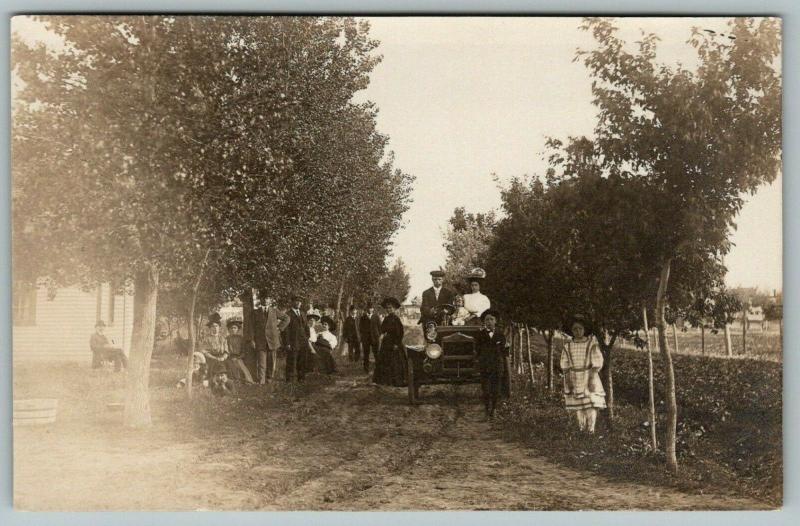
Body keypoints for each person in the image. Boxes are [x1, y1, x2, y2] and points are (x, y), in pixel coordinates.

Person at [560, 315, 606, 433]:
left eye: (580, 328)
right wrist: (568, 378)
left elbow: (597, 361)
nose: (578, 331)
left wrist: (591, 377)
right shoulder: (568, 346)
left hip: (589, 376)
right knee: (579, 406)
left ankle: (591, 430)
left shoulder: (591, 344)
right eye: (575, 329)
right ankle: (581, 429)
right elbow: (565, 363)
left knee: (590, 403)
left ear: (584, 329)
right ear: (571, 331)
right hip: (574, 376)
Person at [474, 309, 507, 420]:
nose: (489, 322)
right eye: (486, 319)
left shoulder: (500, 334)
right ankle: (486, 410)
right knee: (486, 390)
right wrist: (481, 360)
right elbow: (477, 350)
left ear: (495, 321)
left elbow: (504, 351)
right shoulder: (480, 335)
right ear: (484, 322)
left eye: (491, 319)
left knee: (496, 390)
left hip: (497, 365)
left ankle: (494, 410)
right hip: (485, 365)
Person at [373, 297, 406, 386]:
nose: (389, 309)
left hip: (394, 343)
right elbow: (382, 329)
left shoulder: (396, 319)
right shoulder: (386, 319)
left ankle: (396, 381)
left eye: (390, 308)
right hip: (386, 343)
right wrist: (382, 335)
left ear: (394, 309)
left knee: (395, 362)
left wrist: (396, 344)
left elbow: (400, 333)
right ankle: (385, 381)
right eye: (387, 308)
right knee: (385, 361)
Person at [255, 295, 288, 384]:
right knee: (262, 363)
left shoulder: (274, 311)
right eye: (263, 298)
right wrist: (253, 340)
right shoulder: (255, 312)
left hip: (272, 341)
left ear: (269, 300)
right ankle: (261, 382)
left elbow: (286, 318)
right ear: (260, 299)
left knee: (271, 362)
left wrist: (279, 328)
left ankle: (269, 380)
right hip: (261, 341)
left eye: (267, 298)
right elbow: (252, 327)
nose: (265, 300)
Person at [282, 295, 310, 382]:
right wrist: (287, 343)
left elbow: (306, 327)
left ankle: (301, 379)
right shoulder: (287, 314)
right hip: (293, 342)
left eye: (300, 301)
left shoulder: (303, 314)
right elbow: (285, 330)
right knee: (292, 361)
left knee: (302, 360)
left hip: (303, 342)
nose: (298, 303)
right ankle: (290, 380)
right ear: (292, 302)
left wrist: (306, 337)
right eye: (296, 301)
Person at [200, 314, 228, 382]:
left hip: (222, 358)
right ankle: (213, 379)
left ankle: (224, 379)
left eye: (216, 326)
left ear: (219, 327)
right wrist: (215, 358)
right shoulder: (206, 339)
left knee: (229, 366)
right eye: (213, 326)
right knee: (211, 368)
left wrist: (223, 357)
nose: (215, 328)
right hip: (211, 359)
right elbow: (205, 352)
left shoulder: (222, 338)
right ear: (210, 328)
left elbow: (226, 351)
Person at [226, 319, 254, 384]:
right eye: (231, 328)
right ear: (229, 330)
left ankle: (248, 381)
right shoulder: (227, 339)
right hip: (229, 357)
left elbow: (243, 351)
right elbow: (226, 350)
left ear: (238, 329)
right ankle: (235, 381)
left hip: (239, 357)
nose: (233, 330)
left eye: (235, 328)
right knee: (231, 365)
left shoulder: (241, 339)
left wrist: (239, 357)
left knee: (240, 366)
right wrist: (230, 356)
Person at [359, 303, 378, 373]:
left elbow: (379, 327)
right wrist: (363, 335)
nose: (370, 309)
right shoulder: (363, 317)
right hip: (366, 338)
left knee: (376, 353)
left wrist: (378, 335)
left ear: (373, 309)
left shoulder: (376, 317)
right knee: (366, 353)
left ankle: (377, 368)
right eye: (369, 308)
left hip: (375, 338)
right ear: (367, 309)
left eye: (371, 308)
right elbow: (360, 328)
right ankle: (366, 369)